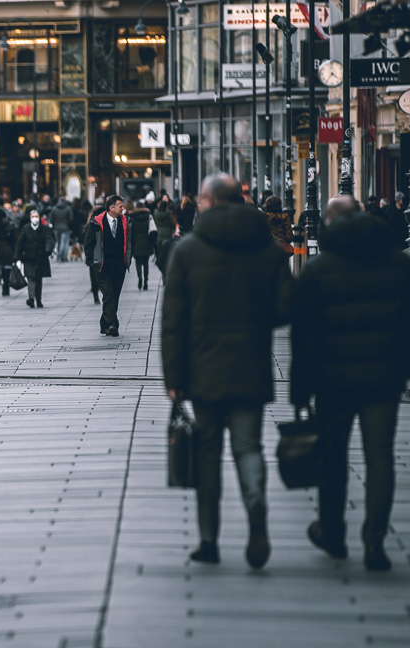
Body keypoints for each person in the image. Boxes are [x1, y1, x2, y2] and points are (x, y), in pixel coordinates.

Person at [291, 195, 410, 571]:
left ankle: (333, 534)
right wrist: (404, 369)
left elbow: (302, 336)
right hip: (383, 381)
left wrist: (300, 388)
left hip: (332, 382)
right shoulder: (397, 265)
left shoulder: (318, 271)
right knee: (379, 458)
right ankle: (375, 543)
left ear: (330, 223)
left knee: (332, 456)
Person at [161, 173, 293, 570]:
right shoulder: (267, 249)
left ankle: (209, 540)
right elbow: (287, 307)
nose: (197, 204)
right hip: (250, 363)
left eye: (201, 199)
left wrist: (173, 378)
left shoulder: (187, 250)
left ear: (213, 202)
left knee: (207, 453)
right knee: (248, 446)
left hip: (203, 369)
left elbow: (173, 321)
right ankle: (256, 515)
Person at [86, 196, 132, 336]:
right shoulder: (96, 223)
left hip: (119, 265)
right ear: (111, 208)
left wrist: (128, 259)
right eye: (120, 206)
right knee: (108, 293)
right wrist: (91, 261)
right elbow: (88, 243)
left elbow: (130, 241)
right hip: (102, 266)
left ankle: (104, 324)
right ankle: (113, 324)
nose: (122, 208)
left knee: (115, 295)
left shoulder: (126, 222)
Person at [15, 208, 54, 309]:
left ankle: (39, 299)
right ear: (30, 218)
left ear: (39, 217)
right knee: (30, 278)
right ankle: (31, 298)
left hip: (40, 257)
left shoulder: (44, 229)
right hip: (28, 257)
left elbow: (49, 239)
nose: (35, 219)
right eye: (33, 217)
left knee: (38, 279)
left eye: (36, 216)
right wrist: (17, 256)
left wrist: (48, 250)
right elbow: (20, 243)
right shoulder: (26, 228)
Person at [0, 207, 16, 296]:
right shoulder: (9, 224)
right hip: (8, 247)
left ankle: (3, 285)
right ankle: (6, 286)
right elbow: (14, 237)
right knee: (7, 268)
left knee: (0, 266)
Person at [129, 200, 154, 290]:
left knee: (138, 262)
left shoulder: (132, 217)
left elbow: (131, 232)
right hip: (146, 242)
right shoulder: (148, 216)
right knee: (146, 263)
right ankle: (146, 281)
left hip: (136, 243)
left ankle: (140, 277)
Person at [83, 206, 105, 303]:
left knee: (94, 277)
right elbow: (87, 242)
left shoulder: (91, 223)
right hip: (96, 255)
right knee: (96, 276)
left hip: (95, 256)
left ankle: (96, 294)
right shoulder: (93, 224)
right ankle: (97, 294)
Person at [50, 197, 75, 262]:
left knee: (58, 242)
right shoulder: (68, 208)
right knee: (65, 243)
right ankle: (63, 256)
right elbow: (71, 218)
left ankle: (58, 255)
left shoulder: (54, 208)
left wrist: (54, 225)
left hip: (57, 227)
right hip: (66, 227)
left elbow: (51, 218)